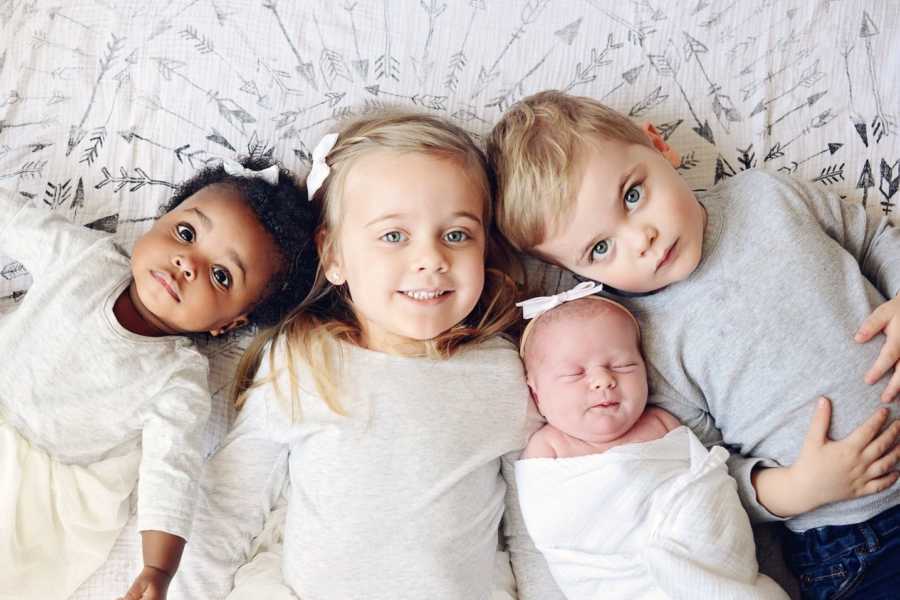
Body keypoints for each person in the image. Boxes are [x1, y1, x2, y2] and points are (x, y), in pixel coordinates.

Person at [487, 90, 900, 599]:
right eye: (600, 248)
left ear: (659, 147)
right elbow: (707, 472)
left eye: (633, 195)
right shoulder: (639, 345)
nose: (641, 239)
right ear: (574, 272)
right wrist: (798, 489)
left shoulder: (766, 195)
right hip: (857, 531)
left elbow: (873, 237)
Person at [171, 111, 564, 600]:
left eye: (457, 234)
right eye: (394, 236)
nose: (431, 258)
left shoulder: (501, 373)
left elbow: (535, 532)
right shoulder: (305, 360)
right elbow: (231, 502)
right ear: (334, 255)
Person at [0, 156, 317, 600]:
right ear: (160, 220)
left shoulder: (177, 379)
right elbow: (14, 220)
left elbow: (171, 473)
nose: (188, 263)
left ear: (226, 324)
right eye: (186, 233)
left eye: (221, 275)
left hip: (32, 485)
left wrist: (158, 568)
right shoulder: (82, 256)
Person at [516, 283, 797, 598]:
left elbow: (711, 487)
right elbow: (557, 532)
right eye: (574, 374)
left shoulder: (662, 423)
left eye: (623, 366)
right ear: (535, 392)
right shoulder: (548, 448)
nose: (603, 380)